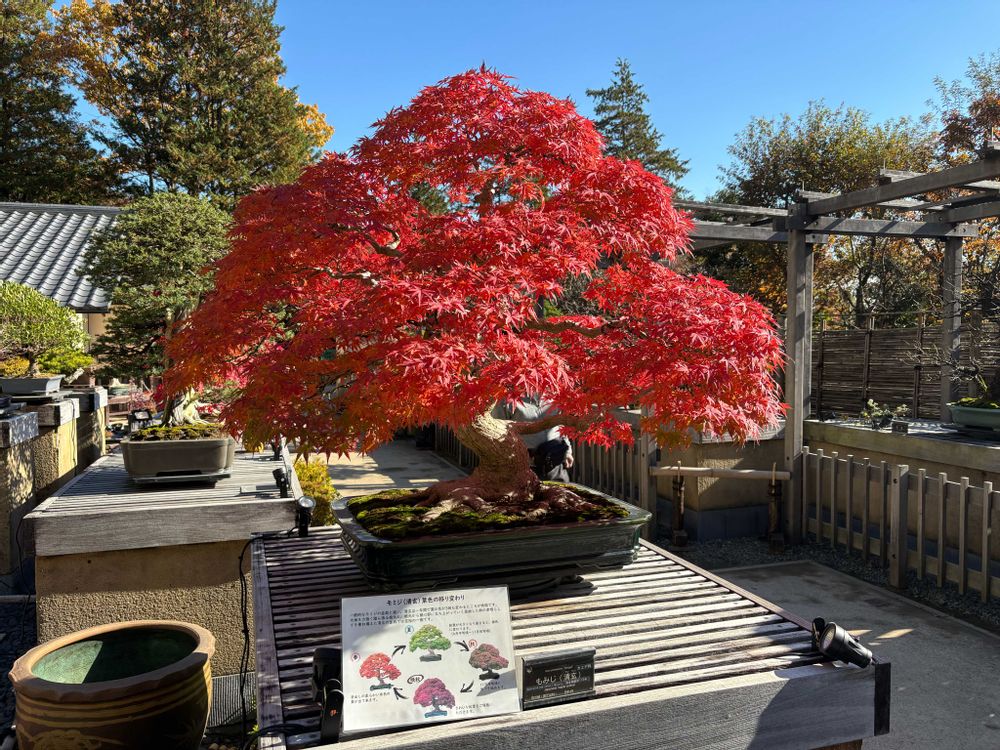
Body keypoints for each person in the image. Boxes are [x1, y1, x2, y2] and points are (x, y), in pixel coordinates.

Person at [495, 395, 574, 482]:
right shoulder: (508, 399)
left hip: (555, 462)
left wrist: (568, 451)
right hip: (525, 465)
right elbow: (497, 431)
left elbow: (561, 425)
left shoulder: (556, 395)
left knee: (562, 490)